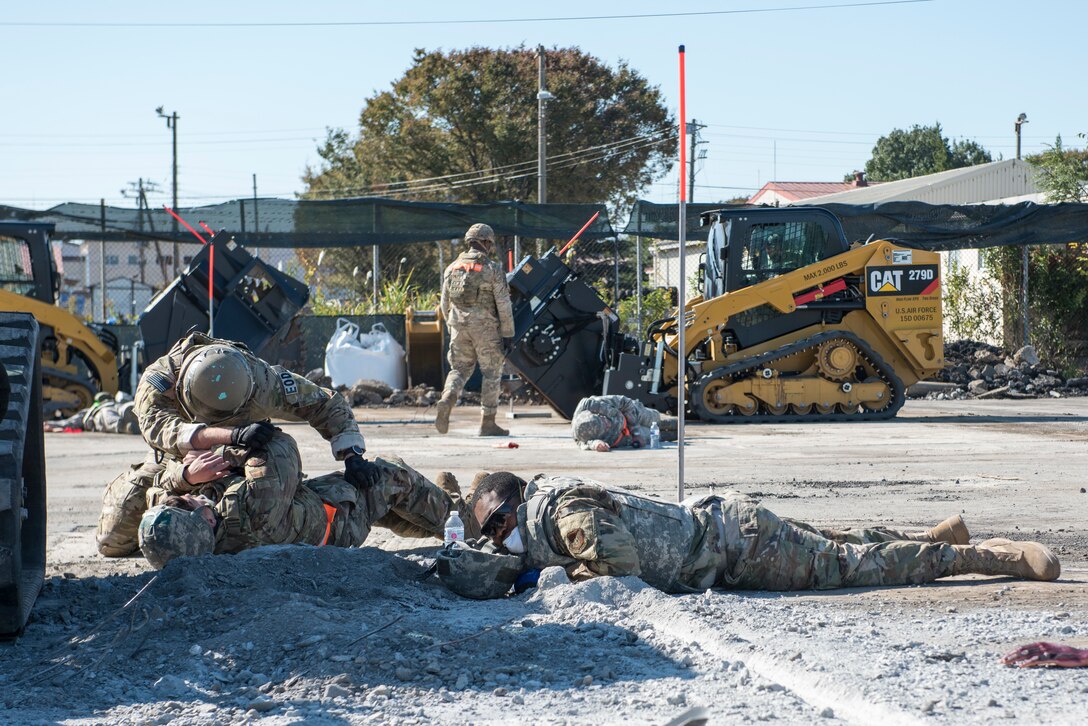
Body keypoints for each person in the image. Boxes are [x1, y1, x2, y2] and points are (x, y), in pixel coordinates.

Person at [436, 472, 1060, 598]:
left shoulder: (555, 516)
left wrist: (550, 576)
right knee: (835, 542)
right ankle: (938, 535)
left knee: (850, 565)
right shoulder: (550, 502)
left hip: (735, 546)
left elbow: (618, 564)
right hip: (725, 527)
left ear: (515, 508)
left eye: (496, 527)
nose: (498, 540)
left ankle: (988, 557)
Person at [100, 331, 380, 556]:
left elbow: (325, 403)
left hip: (245, 451)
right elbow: (168, 433)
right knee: (113, 538)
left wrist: (352, 455)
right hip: (177, 458)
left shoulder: (264, 382)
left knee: (266, 506)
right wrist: (195, 467)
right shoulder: (159, 386)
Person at [137, 430, 479, 568]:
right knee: (391, 476)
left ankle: (448, 501)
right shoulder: (253, 506)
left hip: (311, 515)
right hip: (342, 519)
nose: (191, 496)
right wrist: (225, 450)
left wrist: (185, 476)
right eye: (190, 501)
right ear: (207, 519)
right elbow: (279, 446)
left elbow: (156, 492)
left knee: (398, 514)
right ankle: (466, 517)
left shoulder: (194, 546)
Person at [435, 223, 515, 437]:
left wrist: (453, 326)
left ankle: (447, 398)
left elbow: (444, 304)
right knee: (491, 372)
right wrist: (508, 334)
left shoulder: (452, 268)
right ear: (487, 242)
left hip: (458, 327)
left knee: (459, 370)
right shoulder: (492, 269)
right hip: (486, 330)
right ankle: (487, 423)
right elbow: (504, 305)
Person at [571, 395, 677, 451]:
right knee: (657, 437)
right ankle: (678, 433)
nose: (608, 424)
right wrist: (596, 445)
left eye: (604, 420)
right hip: (623, 435)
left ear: (596, 413)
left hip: (632, 413)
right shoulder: (582, 435)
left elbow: (625, 402)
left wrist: (636, 432)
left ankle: (678, 424)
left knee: (655, 419)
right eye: (606, 428)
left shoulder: (593, 404)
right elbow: (584, 444)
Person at [45, 391, 139, 434]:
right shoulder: (113, 403)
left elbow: (69, 422)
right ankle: (133, 417)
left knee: (107, 419)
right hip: (116, 408)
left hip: (98, 415)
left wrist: (51, 424)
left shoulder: (90, 410)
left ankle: (123, 426)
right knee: (115, 414)